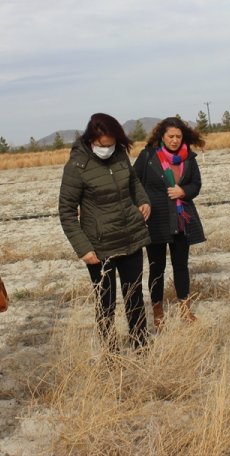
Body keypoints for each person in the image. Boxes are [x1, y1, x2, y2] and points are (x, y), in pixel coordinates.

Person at [58, 113, 152, 351]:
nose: (107, 149)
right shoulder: (77, 166)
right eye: (102, 145)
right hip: (99, 247)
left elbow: (133, 183)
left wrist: (143, 200)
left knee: (134, 296)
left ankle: (140, 342)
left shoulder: (120, 154)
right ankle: (110, 350)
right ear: (91, 140)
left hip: (130, 236)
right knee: (105, 302)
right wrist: (84, 248)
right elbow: (67, 211)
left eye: (111, 144)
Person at [133, 117, 206, 328]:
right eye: (170, 136)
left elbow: (196, 184)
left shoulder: (188, 158)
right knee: (157, 268)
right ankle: (157, 310)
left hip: (181, 219)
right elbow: (133, 181)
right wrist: (141, 202)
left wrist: (184, 191)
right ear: (161, 136)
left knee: (181, 266)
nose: (174, 140)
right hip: (155, 219)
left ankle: (185, 308)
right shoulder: (148, 156)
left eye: (178, 136)